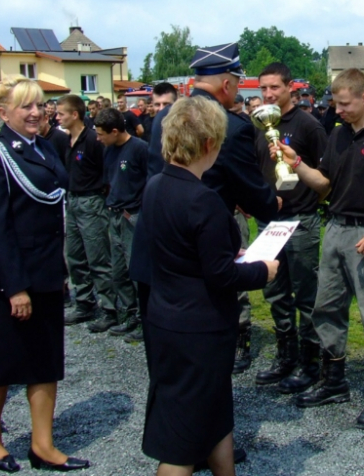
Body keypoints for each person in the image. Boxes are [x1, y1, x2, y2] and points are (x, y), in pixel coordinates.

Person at [136, 96, 278, 476]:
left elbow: (183, 251)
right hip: (198, 330)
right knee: (182, 441)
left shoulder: (155, 186)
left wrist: (226, 253)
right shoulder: (205, 200)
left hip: (166, 317)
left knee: (216, 413)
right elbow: (223, 277)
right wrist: (263, 270)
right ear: (210, 144)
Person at [276, 68, 364, 430]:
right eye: (334, 103)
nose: (336, 110)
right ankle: (334, 380)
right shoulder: (338, 135)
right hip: (336, 230)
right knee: (326, 309)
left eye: (343, 104)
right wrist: (295, 162)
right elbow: (324, 185)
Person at [0, 76, 89, 472]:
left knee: (44, 363)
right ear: (4, 113)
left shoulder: (45, 148)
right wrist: (15, 287)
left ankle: (43, 444)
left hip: (46, 275)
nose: (37, 113)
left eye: (40, 105)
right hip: (5, 281)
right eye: (26, 107)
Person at [142, 43, 278, 380]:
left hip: (159, 244)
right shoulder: (230, 125)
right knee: (204, 370)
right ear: (228, 84)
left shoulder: (163, 116)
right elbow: (251, 189)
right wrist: (272, 202)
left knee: (167, 367)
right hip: (204, 249)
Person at [253, 62, 328, 394]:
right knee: (275, 291)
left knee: (305, 294)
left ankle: (310, 362)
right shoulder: (259, 123)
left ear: (290, 88)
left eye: (274, 88)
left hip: (301, 221)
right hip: (267, 222)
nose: (268, 94)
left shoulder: (309, 126)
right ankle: (286, 355)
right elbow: (258, 170)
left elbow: (325, 179)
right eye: (263, 88)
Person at [57, 95, 117, 331]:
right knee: (74, 256)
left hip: (91, 203)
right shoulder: (66, 140)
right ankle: (84, 302)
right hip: (72, 202)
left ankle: (110, 308)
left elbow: (107, 171)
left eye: (61, 113)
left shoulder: (93, 139)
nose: (56, 117)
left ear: (74, 115)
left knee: (98, 257)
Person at [94, 108, 148, 336]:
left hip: (132, 216)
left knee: (136, 268)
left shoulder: (139, 149)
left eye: (101, 134)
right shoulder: (108, 151)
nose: (98, 139)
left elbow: (151, 181)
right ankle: (131, 313)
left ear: (115, 131)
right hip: (113, 215)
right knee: (119, 271)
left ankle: (147, 318)